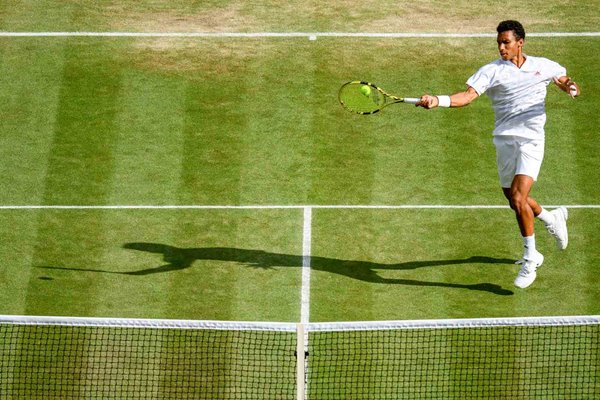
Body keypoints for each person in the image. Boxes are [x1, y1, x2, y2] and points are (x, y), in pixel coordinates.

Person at [415, 20, 579, 289]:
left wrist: (570, 87)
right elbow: (467, 97)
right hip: (504, 140)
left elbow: (563, 81)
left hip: (531, 140)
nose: (502, 47)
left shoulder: (544, 65)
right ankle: (552, 218)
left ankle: (531, 257)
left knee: (518, 196)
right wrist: (437, 99)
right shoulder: (491, 71)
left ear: (520, 43)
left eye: (506, 42)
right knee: (513, 198)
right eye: (499, 43)